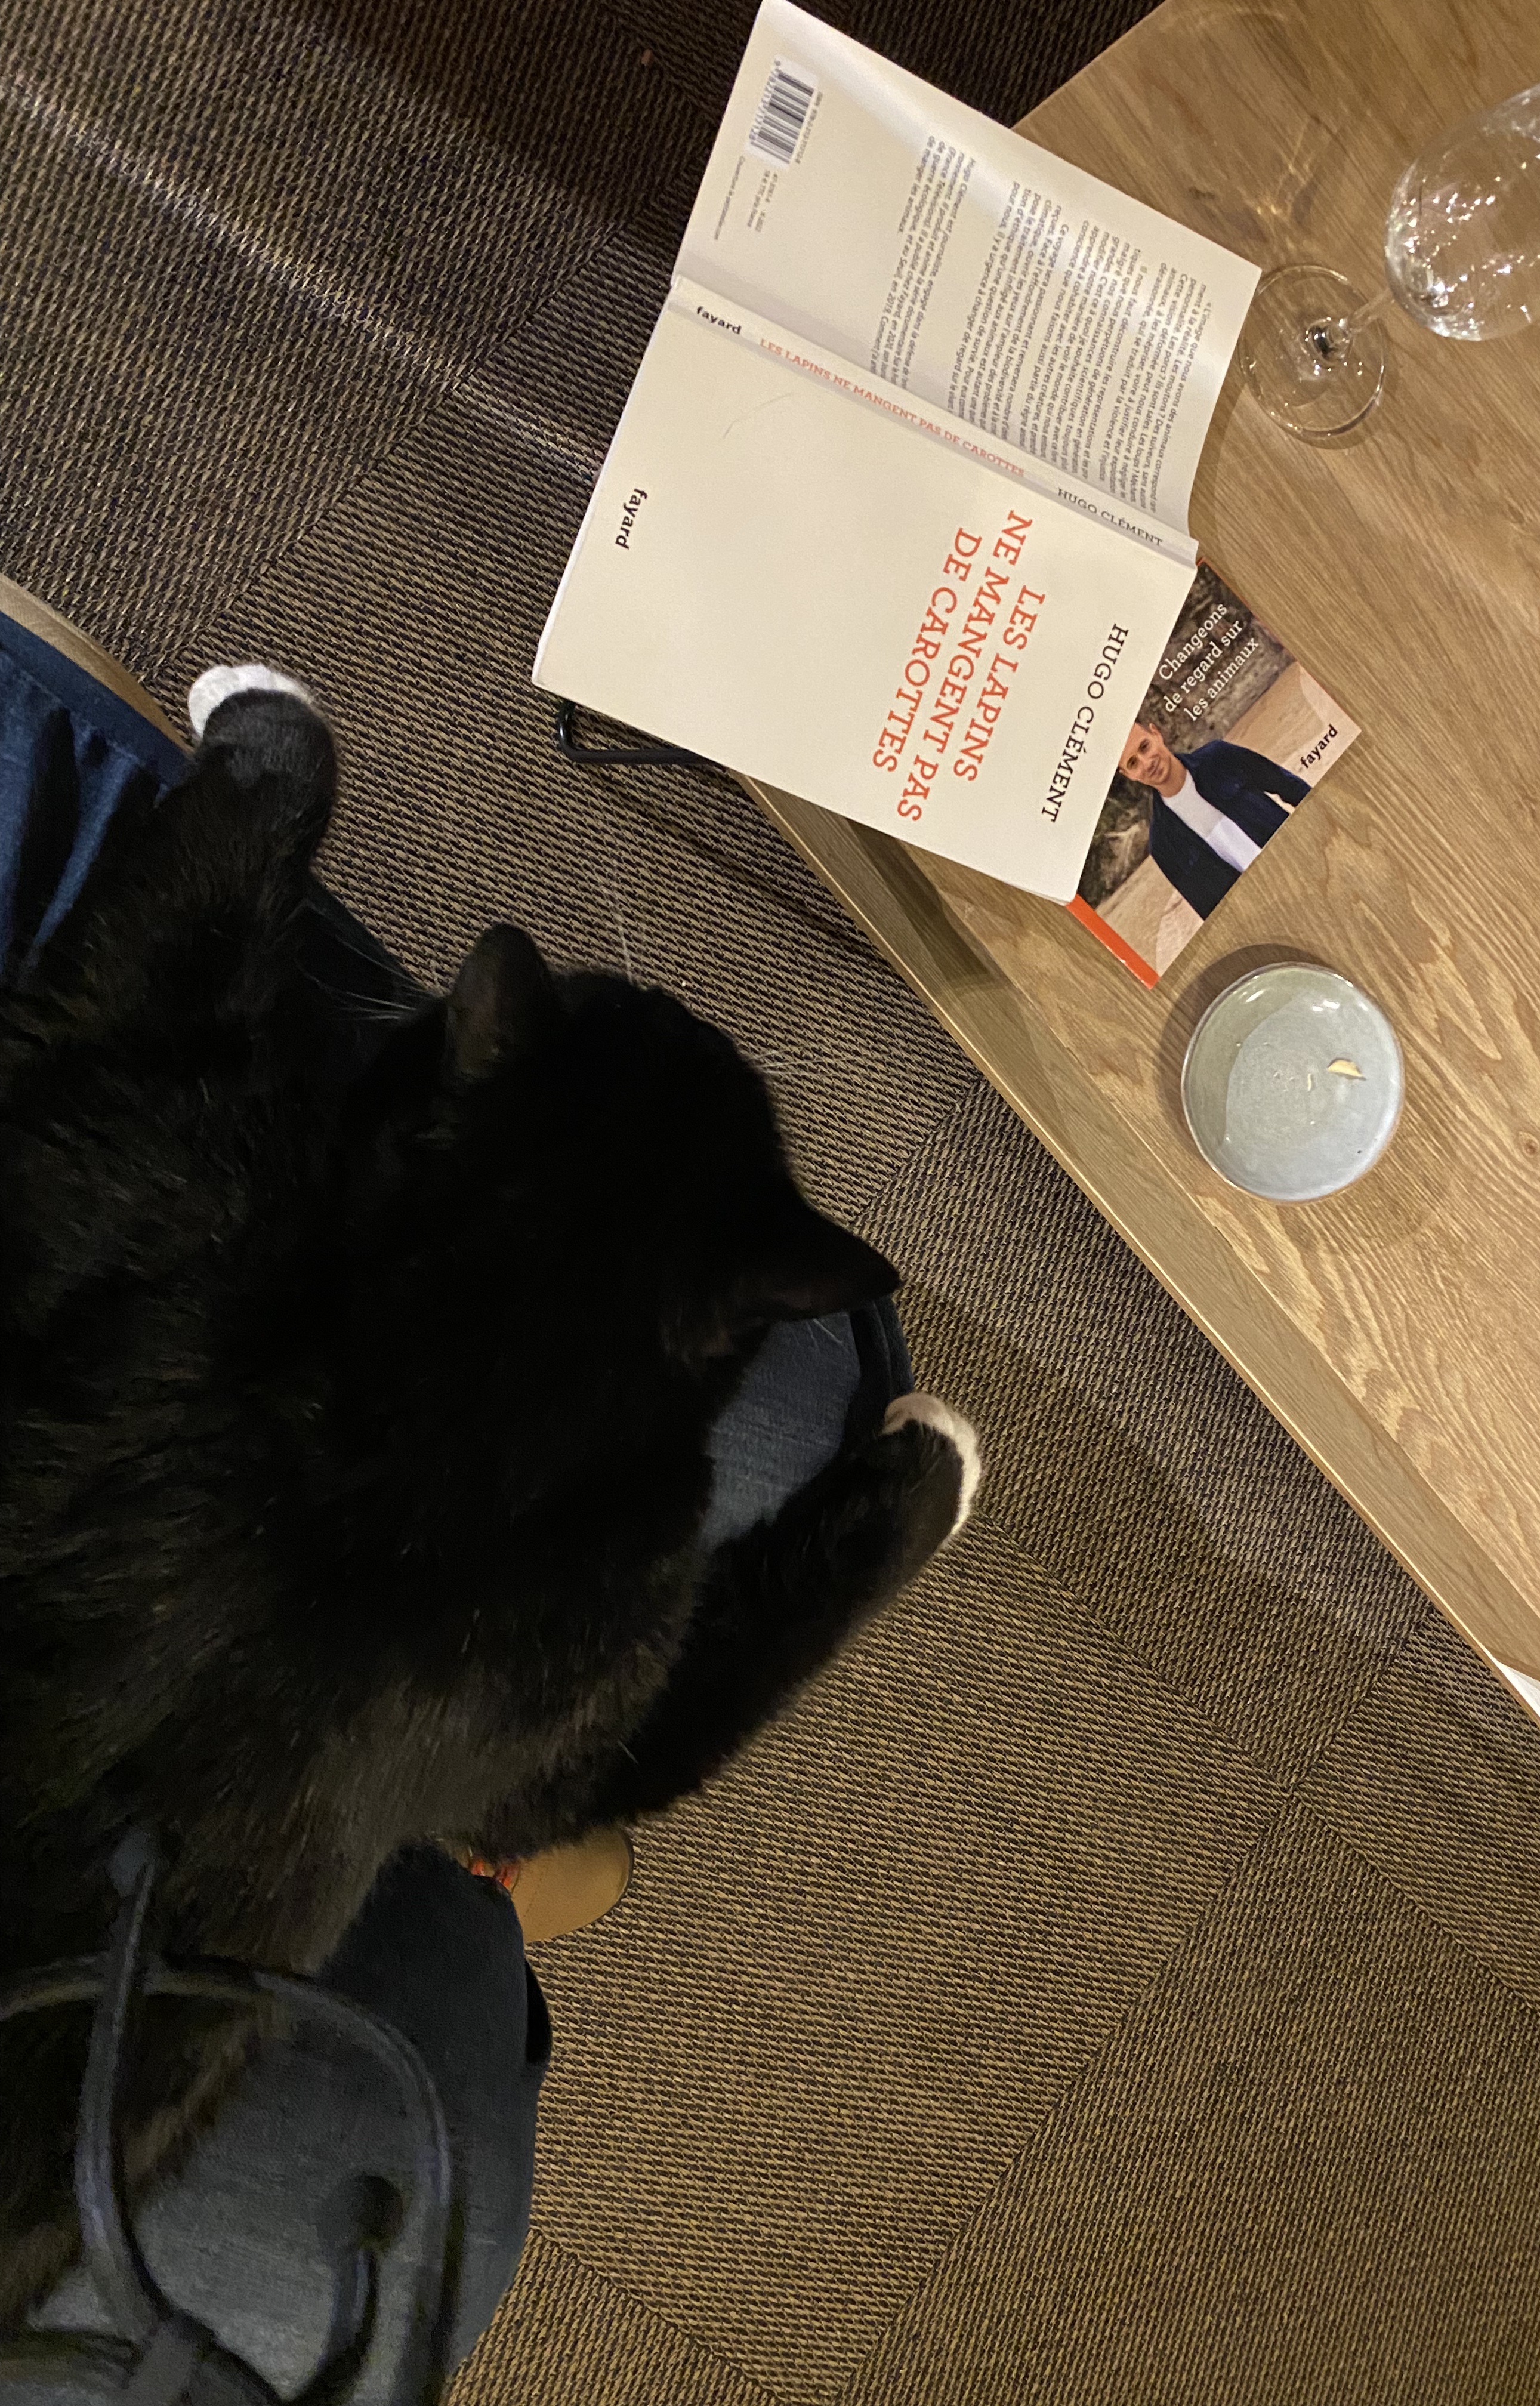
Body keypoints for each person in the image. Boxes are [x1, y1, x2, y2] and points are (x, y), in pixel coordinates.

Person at [1, 579, 913, 2396]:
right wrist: (259, 806)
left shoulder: (553, 1628)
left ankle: (489, 1875)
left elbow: (120, 1070)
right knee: (802, 1414)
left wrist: (263, 801)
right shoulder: (197, 1242)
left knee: (788, 1434)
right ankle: (490, 1882)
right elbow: (106, 1073)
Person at [1116, 719, 1310, 921]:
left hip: (1304, 860)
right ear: (1128, 775)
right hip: (1274, 915)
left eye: (1145, 747)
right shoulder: (1162, 844)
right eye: (1133, 763)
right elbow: (1214, 916)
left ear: (1156, 734)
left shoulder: (1219, 757)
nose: (1147, 763)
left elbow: (1291, 788)